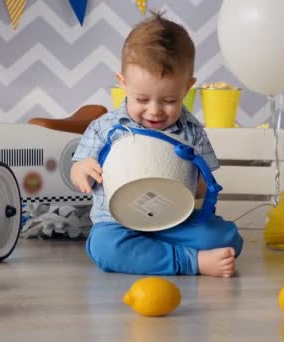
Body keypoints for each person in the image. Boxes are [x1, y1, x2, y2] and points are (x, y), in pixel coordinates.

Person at [70, 12, 243, 277]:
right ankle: (191, 262)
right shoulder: (104, 127)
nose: (154, 111)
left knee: (228, 238)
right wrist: (82, 169)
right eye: (141, 99)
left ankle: (151, 252)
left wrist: (194, 182)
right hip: (118, 223)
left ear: (187, 87)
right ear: (123, 83)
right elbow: (78, 168)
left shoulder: (192, 131)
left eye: (169, 101)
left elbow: (202, 186)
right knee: (104, 247)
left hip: (173, 221)